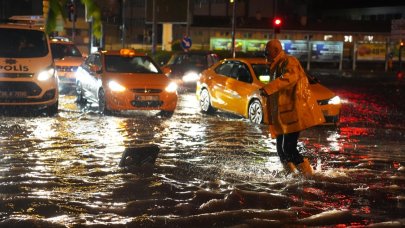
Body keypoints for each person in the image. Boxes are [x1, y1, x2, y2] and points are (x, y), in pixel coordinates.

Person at [260, 39, 325, 177]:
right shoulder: (277, 64)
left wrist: (268, 88)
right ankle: (290, 175)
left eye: (267, 51)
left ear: (276, 51)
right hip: (283, 116)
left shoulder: (288, 61)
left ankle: (308, 176)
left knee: (288, 148)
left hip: (292, 114)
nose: (265, 54)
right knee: (281, 149)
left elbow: (289, 77)